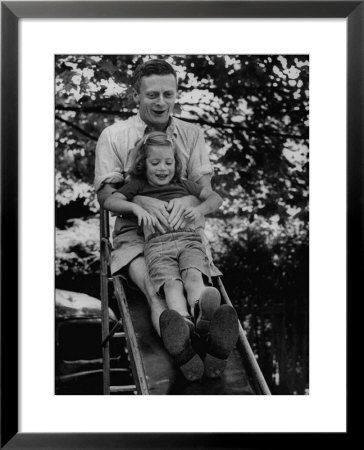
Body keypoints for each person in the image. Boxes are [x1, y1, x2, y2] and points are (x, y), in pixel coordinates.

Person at [95, 58, 237, 380]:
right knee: (154, 286)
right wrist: (139, 202)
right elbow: (107, 197)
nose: (161, 102)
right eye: (152, 95)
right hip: (137, 231)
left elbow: (205, 191)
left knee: (193, 274)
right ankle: (182, 340)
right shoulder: (114, 136)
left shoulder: (190, 133)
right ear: (136, 95)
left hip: (182, 229)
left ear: (176, 94)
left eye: (168, 94)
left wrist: (192, 205)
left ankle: (205, 325)